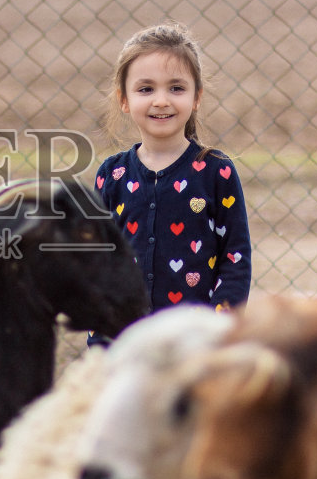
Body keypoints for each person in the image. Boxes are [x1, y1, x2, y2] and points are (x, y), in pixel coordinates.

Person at [93, 23, 252, 320]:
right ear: (124, 100)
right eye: (146, 89)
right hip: (128, 338)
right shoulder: (111, 175)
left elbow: (235, 260)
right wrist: (103, 339)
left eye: (176, 88)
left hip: (196, 341)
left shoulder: (216, 172)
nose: (161, 100)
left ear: (196, 97)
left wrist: (218, 328)